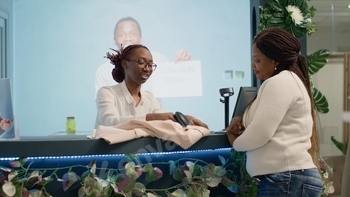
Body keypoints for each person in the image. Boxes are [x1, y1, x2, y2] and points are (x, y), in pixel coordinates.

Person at [225, 27, 322, 197]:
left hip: (286, 179)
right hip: (289, 179)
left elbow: (260, 134)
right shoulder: (287, 81)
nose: (252, 65)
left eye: (257, 60)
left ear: (275, 60)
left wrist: (234, 141)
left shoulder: (280, 82)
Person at [95, 44, 207, 129]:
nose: (147, 68)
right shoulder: (106, 92)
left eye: (150, 64)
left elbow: (164, 120)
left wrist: (184, 119)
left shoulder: (149, 97)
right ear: (125, 64)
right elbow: (110, 122)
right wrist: (152, 117)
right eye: (141, 62)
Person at [95, 16, 191, 95]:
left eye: (133, 34)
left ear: (141, 38)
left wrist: (182, 66)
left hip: (155, 117)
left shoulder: (158, 59)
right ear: (114, 40)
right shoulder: (103, 71)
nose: (128, 38)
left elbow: (176, 85)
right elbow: (104, 105)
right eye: (121, 35)